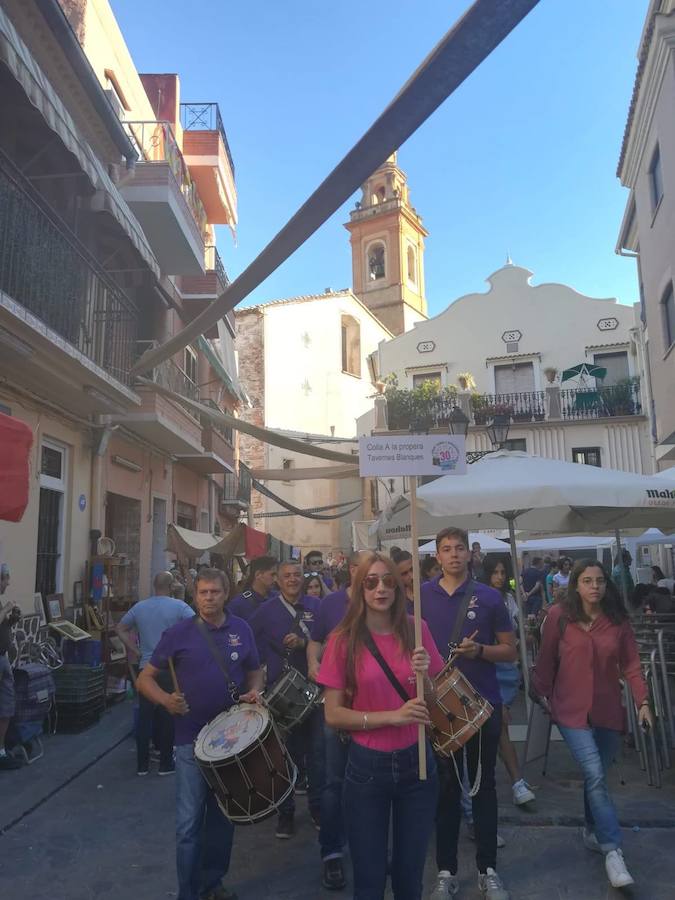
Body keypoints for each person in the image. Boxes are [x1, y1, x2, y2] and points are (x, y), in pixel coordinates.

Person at [318, 552, 444, 899]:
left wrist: (426, 675)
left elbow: (433, 702)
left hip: (417, 766)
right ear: (360, 589)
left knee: (409, 879)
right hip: (365, 770)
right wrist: (392, 716)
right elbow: (333, 714)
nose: (381, 589)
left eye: (388, 580)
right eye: (371, 582)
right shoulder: (343, 640)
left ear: (399, 587)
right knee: (370, 881)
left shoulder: (418, 630)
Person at [137, 567, 263, 900]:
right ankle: (187, 892)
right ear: (195, 595)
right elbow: (144, 678)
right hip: (190, 741)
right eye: (203, 592)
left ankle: (212, 884)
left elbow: (254, 670)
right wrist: (166, 700)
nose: (209, 598)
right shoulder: (179, 633)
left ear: (226, 594)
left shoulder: (242, 629)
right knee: (188, 825)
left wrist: (255, 692)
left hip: (233, 742)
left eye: (215, 592)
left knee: (223, 821)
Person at [532, 559, 652, 890]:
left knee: (595, 774)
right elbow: (545, 660)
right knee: (595, 774)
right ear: (576, 585)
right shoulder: (559, 616)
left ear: (606, 585)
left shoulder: (618, 621)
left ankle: (589, 829)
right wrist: (540, 695)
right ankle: (613, 850)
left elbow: (632, 665)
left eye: (599, 580)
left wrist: (643, 702)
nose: (594, 586)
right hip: (570, 711)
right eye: (587, 580)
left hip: (608, 711)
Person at [423, 527, 516, 900]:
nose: (454, 555)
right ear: (437, 556)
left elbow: (509, 651)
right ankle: (445, 872)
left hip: (482, 705)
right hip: (440, 709)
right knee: (445, 792)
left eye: (460, 548)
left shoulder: (490, 597)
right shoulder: (420, 597)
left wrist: (480, 651)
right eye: (446, 549)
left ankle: (488, 869)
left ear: (470, 554)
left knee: (484, 789)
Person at [306, 549, 368, 890]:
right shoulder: (329, 605)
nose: (362, 574)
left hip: (372, 707)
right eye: (357, 567)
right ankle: (331, 852)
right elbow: (313, 643)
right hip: (334, 704)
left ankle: (366, 850)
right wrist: (314, 664)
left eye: (367, 568)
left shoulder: (382, 602)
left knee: (368, 782)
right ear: (349, 570)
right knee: (332, 781)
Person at [250, 560, 323, 839]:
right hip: (280, 692)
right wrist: (259, 670)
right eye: (286, 576)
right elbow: (248, 642)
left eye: (297, 575)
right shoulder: (265, 611)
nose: (292, 579)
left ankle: (317, 808)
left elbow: (334, 643)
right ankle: (286, 813)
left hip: (315, 691)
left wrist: (306, 645)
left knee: (317, 756)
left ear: (303, 578)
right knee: (284, 756)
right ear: (277, 580)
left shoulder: (317, 607)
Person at [116, 571, 193, 775]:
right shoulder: (179, 606)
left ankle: (142, 765)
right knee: (168, 713)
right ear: (172, 585)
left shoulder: (140, 607)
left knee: (145, 715)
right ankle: (165, 763)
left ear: (154, 585)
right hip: (169, 667)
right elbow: (197, 626)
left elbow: (120, 628)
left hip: (146, 666)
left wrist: (134, 650)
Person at [481, 557, 535, 808]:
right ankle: (517, 781)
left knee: (498, 727)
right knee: (500, 726)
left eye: (503, 572)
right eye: (495, 572)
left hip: (505, 668)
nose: (500, 577)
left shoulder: (510, 599)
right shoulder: (479, 597)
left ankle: (511, 782)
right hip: (485, 667)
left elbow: (514, 631)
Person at [0, 564, 22, 771]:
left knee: (6, 706)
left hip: (3, 658)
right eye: (5, 578)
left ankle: (2, 750)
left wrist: (11, 619)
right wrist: (5, 609)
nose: (8, 582)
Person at [229, 556, 277, 621]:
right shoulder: (238, 604)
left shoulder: (278, 598)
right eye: (272, 575)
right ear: (258, 575)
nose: (276, 579)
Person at [390, 547, 414, 612]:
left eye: (412, 569)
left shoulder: (431, 591)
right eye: (404, 574)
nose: (411, 576)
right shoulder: (396, 599)